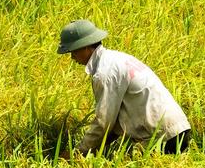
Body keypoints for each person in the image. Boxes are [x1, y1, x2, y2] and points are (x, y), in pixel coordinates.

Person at [57, 19, 191, 156]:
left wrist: (79, 153)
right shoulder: (116, 59)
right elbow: (114, 125)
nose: (72, 57)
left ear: (85, 46)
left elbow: (103, 122)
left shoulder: (104, 73)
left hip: (163, 136)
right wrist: (92, 150)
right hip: (177, 129)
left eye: (73, 51)